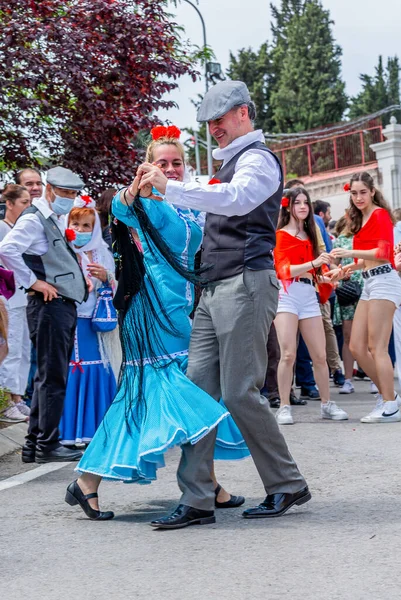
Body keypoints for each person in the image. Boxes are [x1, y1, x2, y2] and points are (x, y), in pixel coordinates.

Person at [136, 81, 310, 529]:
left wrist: (170, 190)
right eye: (210, 121)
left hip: (245, 283)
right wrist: (158, 186)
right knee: (197, 395)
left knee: (238, 392)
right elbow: (206, 194)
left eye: (221, 118)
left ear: (244, 114)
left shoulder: (257, 160)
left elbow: (237, 199)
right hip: (216, 289)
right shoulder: (228, 165)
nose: (214, 127)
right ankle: (196, 499)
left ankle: (287, 484)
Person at [65, 126, 242, 521]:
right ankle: (202, 484)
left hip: (179, 309)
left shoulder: (188, 203)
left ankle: (93, 483)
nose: (171, 168)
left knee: (170, 398)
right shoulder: (140, 200)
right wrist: (137, 188)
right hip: (150, 312)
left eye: (176, 162)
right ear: (148, 165)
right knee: (169, 398)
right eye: (162, 162)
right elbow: (120, 208)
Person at [0, 166, 90, 462]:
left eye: (73, 194)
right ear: (50, 190)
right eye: (64, 193)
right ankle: (46, 444)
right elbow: (7, 250)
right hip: (49, 306)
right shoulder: (35, 219)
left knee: (48, 376)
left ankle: (35, 444)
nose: (69, 198)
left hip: (57, 306)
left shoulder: (50, 218)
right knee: (52, 377)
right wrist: (34, 281)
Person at [329, 172, 401, 423]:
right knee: (356, 346)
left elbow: (382, 252)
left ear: (372, 191)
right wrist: (347, 267)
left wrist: (349, 252)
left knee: (376, 347)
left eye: (362, 192)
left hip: (384, 280)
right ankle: (388, 396)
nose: (358, 197)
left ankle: (391, 404)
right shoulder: (361, 217)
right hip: (370, 281)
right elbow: (367, 259)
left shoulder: (380, 214)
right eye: (354, 193)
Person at [274, 187, 348, 425]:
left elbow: (317, 274)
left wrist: (332, 275)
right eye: (298, 203)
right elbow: (282, 271)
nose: (303, 207)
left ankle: (327, 404)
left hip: (308, 293)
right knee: (288, 354)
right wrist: (314, 263)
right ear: (288, 206)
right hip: (286, 295)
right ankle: (284, 405)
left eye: (306, 202)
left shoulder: (311, 235)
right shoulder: (281, 235)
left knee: (319, 354)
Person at [59, 197, 119, 446]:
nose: (80, 230)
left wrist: (106, 277)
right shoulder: (62, 249)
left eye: (86, 226)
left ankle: (98, 429)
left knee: (95, 366)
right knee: (73, 368)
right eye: (76, 224)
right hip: (67, 317)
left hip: (94, 320)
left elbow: (115, 284)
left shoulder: (102, 252)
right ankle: (72, 432)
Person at [0, 184, 32, 422]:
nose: (27, 207)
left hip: (22, 294)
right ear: (9, 204)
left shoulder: (20, 227)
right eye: (23, 202)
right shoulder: (2, 228)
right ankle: (7, 400)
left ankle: (18, 397)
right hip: (7, 295)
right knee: (9, 345)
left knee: (22, 347)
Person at [332, 215, 364, 394]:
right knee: (348, 335)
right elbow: (333, 265)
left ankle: (373, 376)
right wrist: (339, 273)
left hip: (366, 287)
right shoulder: (341, 240)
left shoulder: (366, 236)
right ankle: (348, 379)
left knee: (368, 335)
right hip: (347, 291)